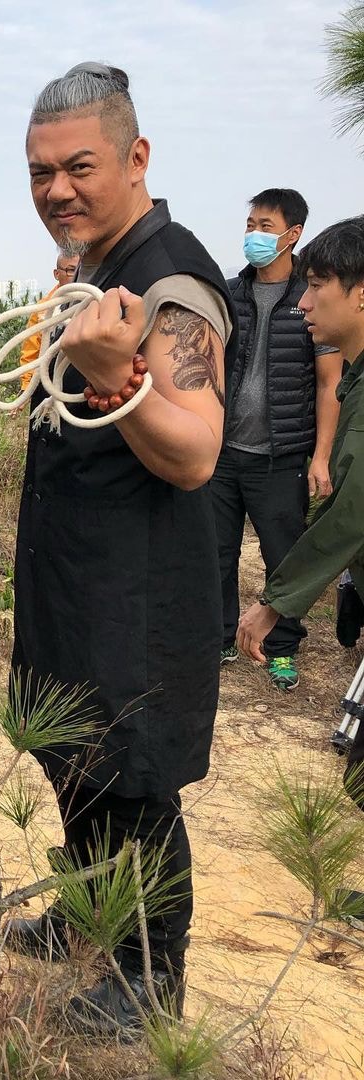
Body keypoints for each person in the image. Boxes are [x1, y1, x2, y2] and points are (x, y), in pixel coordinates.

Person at [2, 63, 235, 1040]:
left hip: (137, 595)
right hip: (74, 579)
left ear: (136, 158)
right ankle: (85, 914)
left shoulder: (172, 282)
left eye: (79, 167)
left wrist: (114, 378)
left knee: (134, 783)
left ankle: (148, 980)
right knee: (77, 760)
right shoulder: (100, 271)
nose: (56, 190)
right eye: (40, 171)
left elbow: (196, 448)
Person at [237, 215, 364, 782]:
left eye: (316, 286)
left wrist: (274, 603)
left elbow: (351, 516)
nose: (304, 303)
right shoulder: (356, 378)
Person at [213, 189, 342, 691]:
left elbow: (329, 384)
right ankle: (221, 637)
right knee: (216, 551)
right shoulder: (229, 294)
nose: (254, 235)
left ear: (293, 234)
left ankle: (282, 645)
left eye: (265, 226)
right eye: (250, 225)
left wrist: (321, 456)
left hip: (281, 455)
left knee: (282, 556)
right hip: (222, 453)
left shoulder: (309, 300)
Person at [19, 251, 79, 388]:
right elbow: (31, 351)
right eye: (71, 270)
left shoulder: (92, 300)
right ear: (57, 274)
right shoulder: (43, 309)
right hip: (48, 381)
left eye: (80, 269)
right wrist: (27, 386)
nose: (77, 275)